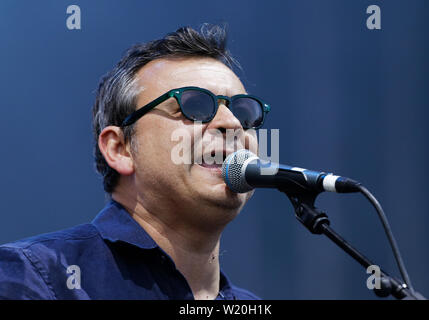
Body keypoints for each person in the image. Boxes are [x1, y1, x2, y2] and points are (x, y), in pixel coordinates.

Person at [0, 24, 270, 300]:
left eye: (244, 112)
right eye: (195, 106)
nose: (232, 123)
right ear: (120, 149)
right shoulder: (34, 276)